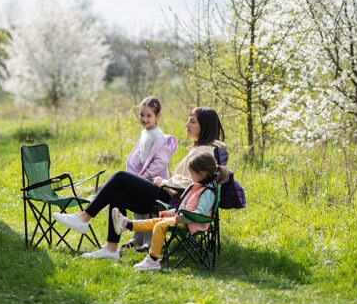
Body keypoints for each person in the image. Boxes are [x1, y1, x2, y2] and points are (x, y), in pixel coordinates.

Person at [53, 106, 228, 260]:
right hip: (170, 194)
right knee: (118, 193)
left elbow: (193, 186)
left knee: (120, 176)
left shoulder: (205, 151)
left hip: (173, 200)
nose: (186, 125)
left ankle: (84, 218)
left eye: (192, 122)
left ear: (204, 126)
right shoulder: (202, 148)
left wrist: (162, 183)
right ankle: (111, 249)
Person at [111, 151, 228, 271]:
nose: (191, 177)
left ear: (202, 174)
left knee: (160, 225)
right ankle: (126, 224)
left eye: (192, 174)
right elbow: (184, 208)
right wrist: (171, 213)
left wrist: (181, 218)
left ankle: (153, 260)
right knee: (155, 221)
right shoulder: (196, 188)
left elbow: (200, 214)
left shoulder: (207, 193)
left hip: (192, 223)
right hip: (183, 219)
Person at [121, 97, 177, 252]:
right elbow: (141, 155)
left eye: (149, 116)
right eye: (142, 115)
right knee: (138, 207)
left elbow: (159, 162)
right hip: (143, 176)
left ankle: (149, 239)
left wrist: (145, 175)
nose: (144, 119)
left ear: (158, 116)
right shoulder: (145, 133)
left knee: (148, 208)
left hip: (155, 181)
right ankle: (138, 236)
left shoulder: (158, 137)